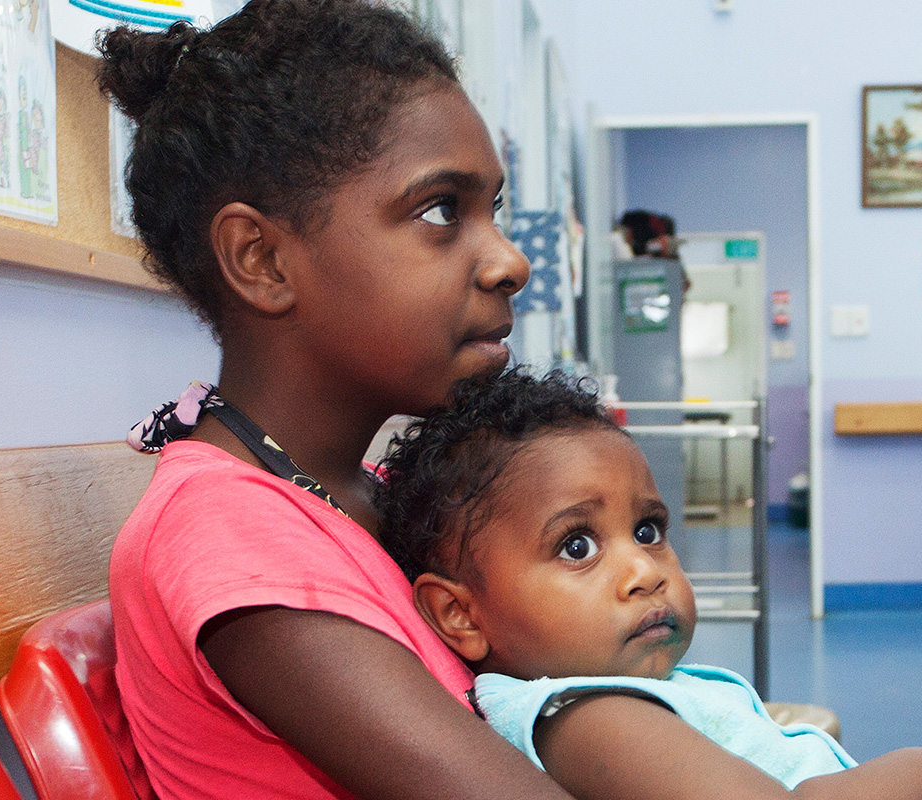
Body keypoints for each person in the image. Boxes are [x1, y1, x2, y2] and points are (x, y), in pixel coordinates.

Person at [95, 2, 583, 798]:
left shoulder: (360, 493)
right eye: (439, 211)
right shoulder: (229, 534)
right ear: (262, 261)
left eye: (491, 209)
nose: (509, 261)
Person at [374, 368, 922, 800]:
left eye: (648, 530)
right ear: (460, 615)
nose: (645, 572)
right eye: (577, 546)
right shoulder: (589, 718)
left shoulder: (625, 690)